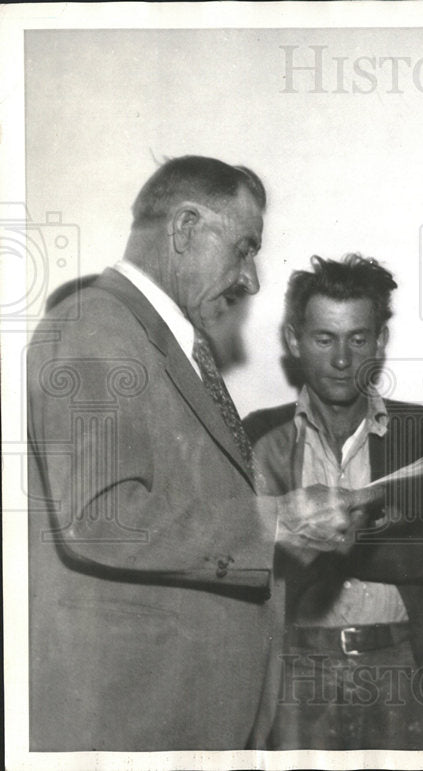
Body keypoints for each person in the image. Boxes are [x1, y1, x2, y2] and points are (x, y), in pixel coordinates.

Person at [26, 156, 363, 751]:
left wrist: (288, 534)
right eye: (243, 248)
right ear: (184, 228)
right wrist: (274, 520)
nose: (252, 279)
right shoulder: (93, 325)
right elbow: (102, 518)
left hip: (181, 710)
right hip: (135, 717)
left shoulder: (163, 340)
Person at [244, 254, 423, 749]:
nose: (343, 359)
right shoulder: (260, 434)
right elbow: (246, 554)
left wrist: (317, 533)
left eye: (358, 338)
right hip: (294, 670)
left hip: (400, 665)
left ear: (380, 341)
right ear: (293, 340)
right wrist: (377, 529)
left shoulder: (419, 430)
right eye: (324, 339)